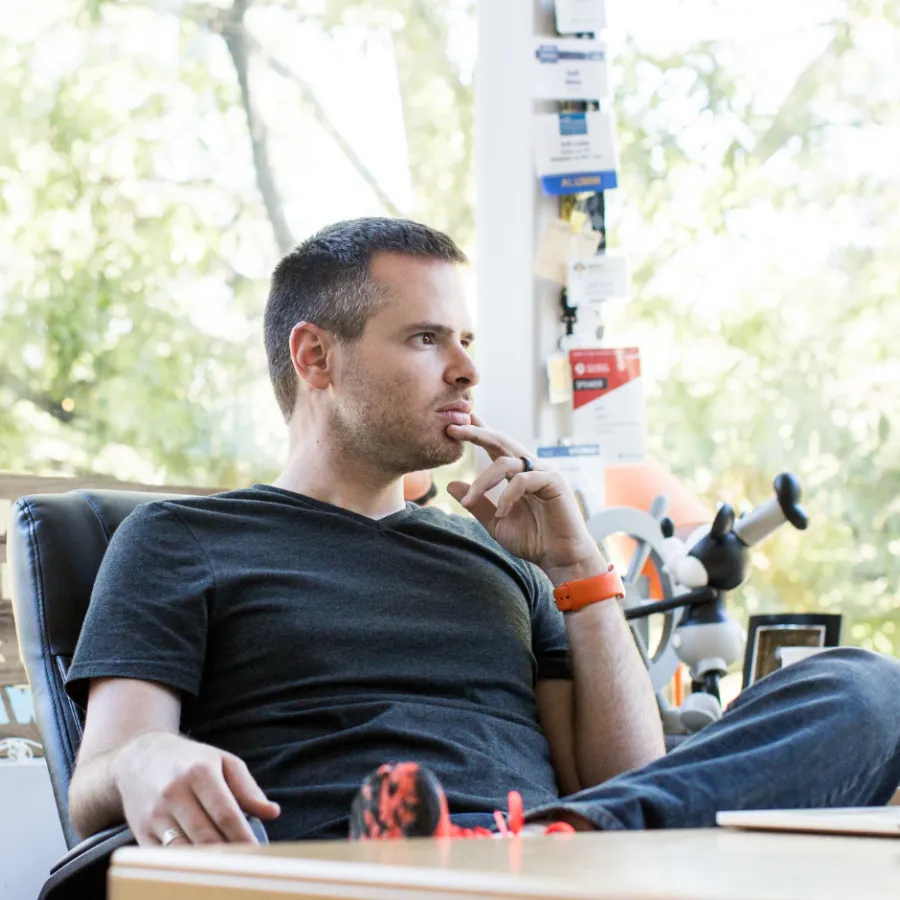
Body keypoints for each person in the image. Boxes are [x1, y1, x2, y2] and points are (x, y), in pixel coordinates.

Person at [65, 217, 900, 849]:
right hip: (341, 869)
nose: (465, 367)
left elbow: (633, 784)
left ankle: (543, 849)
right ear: (316, 358)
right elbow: (97, 779)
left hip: (544, 856)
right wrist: (144, 762)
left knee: (866, 689)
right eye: (426, 339)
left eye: (465, 340)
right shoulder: (181, 539)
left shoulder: (503, 559)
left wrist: (578, 567)